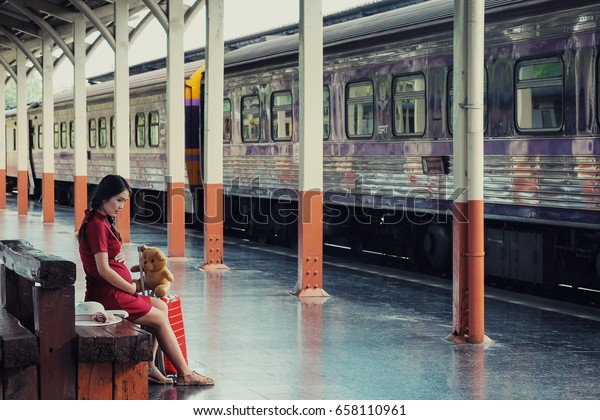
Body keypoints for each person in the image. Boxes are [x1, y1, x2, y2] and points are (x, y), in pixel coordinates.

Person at [77, 174, 214, 386]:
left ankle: (148, 365)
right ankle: (185, 374)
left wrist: (118, 255)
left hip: (113, 291)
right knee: (159, 319)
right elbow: (103, 270)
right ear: (105, 196)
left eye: (124, 201)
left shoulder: (100, 220)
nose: (122, 206)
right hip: (109, 294)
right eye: (119, 200)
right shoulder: (96, 224)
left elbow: (104, 256)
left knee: (162, 306)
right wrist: (131, 288)